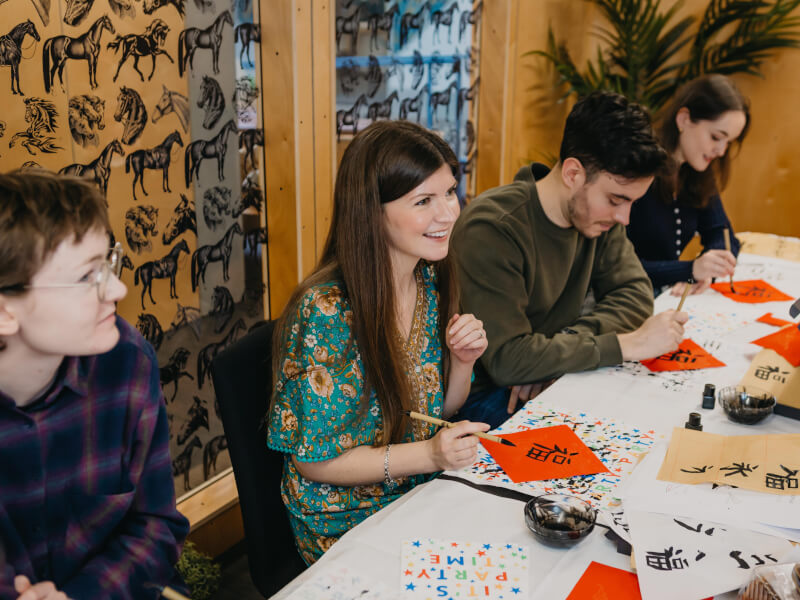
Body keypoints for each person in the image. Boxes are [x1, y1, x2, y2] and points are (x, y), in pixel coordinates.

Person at [266, 121, 489, 565]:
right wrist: (428, 454)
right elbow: (316, 462)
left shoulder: (428, 278)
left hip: (417, 491)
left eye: (449, 192)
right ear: (371, 211)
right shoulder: (327, 311)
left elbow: (433, 415)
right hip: (344, 518)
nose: (448, 213)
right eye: (423, 201)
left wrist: (463, 363)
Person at [0, 171, 189, 599]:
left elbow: (157, 526)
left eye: (109, 263)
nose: (119, 288)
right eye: (87, 277)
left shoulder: (125, 361)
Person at [451, 91, 688, 429]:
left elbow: (636, 296)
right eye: (617, 199)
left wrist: (552, 356)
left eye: (632, 202)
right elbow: (506, 361)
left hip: (546, 378)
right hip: (487, 398)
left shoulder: (598, 219)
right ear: (573, 174)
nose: (625, 218)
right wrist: (622, 345)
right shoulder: (492, 228)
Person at [626, 74, 749, 296]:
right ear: (684, 119)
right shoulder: (638, 169)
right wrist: (690, 269)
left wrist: (709, 266)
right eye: (715, 137)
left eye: (728, 142)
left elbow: (723, 235)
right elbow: (613, 267)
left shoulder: (696, 173)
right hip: (623, 298)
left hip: (661, 295)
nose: (721, 151)